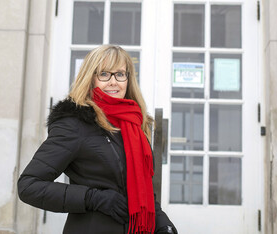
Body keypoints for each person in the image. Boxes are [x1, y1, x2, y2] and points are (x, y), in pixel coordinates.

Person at [17, 45, 177, 234]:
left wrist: (162, 224)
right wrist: (94, 198)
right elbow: (28, 185)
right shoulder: (74, 124)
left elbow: (143, 192)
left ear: (128, 80)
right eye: (104, 74)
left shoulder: (134, 126)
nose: (113, 82)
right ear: (90, 78)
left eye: (120, 74)